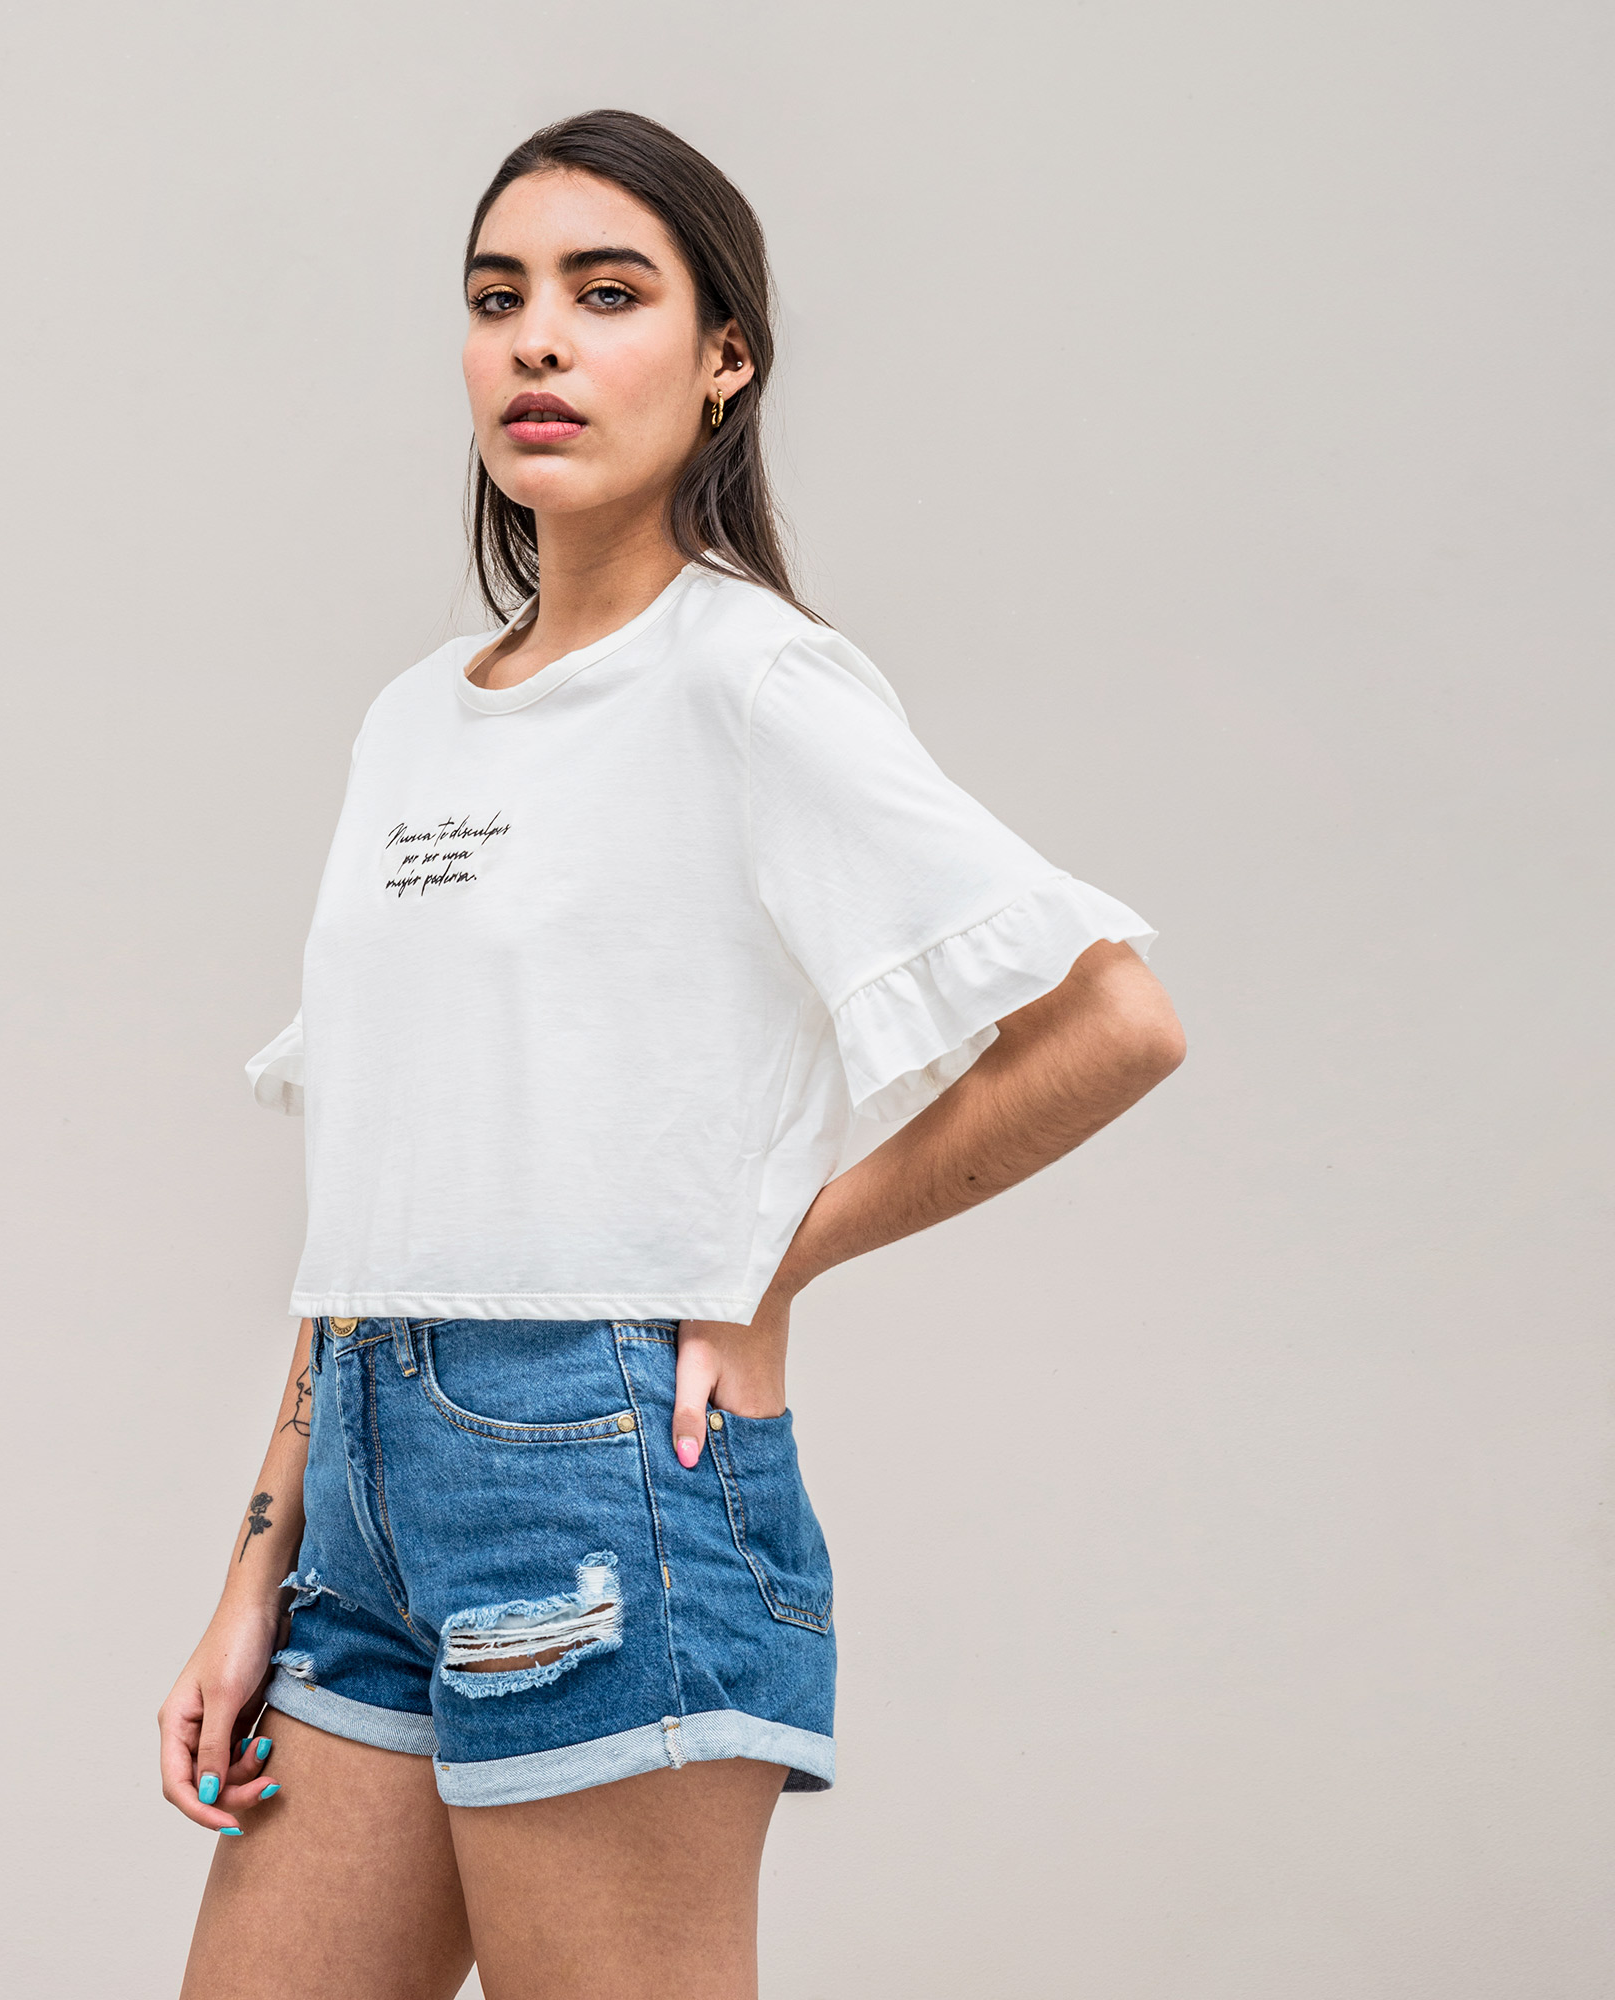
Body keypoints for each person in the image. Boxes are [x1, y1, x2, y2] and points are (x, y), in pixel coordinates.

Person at [160, 108, 1185, 2000]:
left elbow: (1114, 1020)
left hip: (604, 1477)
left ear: (726, 360)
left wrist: (771, 1254)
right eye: (499, 299)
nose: (538, 341)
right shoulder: (410, 725)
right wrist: (257, 1567)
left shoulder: (750, 681)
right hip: (364, 1500)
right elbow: (381, 1182)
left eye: (606, 293)